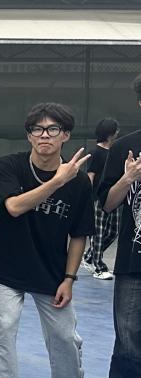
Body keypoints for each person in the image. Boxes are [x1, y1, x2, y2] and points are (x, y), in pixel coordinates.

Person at [0, 104, 94, 378]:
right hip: (7, 269)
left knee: (65, 335)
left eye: (53, 129)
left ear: (66, 135)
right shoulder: (10, 166)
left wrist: (69, 278)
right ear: (29, 135)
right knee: (4, 327)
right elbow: (13, 207)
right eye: (37, 129)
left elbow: (79, 235)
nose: (45, 135)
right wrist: (57, 181)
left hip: (52, 273)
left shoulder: (79, 182)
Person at [90, 75, 141, 378]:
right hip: (133, 263)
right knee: (128, 336)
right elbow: (107, 204)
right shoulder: (126, 147)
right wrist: (127, 178)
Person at [85, 116, 120, 280]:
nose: (118, 133)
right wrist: (88, 198)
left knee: (113, 231)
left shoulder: (113, 152)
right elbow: (90, 175)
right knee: (98, 233)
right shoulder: (96, 152)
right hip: (98, 198)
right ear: (109, 133)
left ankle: (89, 256)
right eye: (115, 131)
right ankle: (98, 267)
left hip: (112, 197)